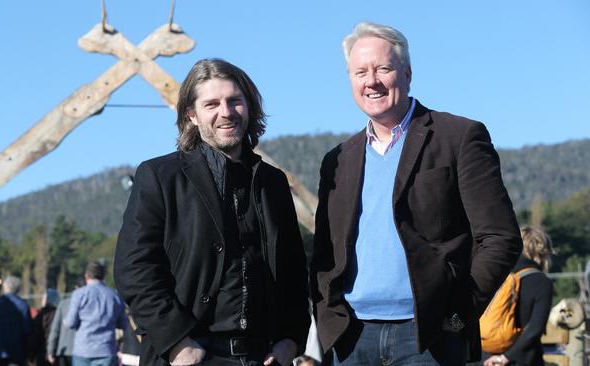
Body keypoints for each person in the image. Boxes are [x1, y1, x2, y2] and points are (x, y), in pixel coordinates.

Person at [311, 22, 522, 365]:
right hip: (351, 337)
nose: (372, 81)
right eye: (360, 71)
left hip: (428, 338)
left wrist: (457, 316)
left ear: (407, 74)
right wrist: (328, 319)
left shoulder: (458, 137)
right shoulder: (338, 159)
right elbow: (324, 252)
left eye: (383, 68)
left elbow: (500, 237)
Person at [114, 58, 310, 366]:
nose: (226, 112)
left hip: (263, 356)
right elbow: (134, 269)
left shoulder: (273, 183)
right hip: (191, 354)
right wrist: (177, 342)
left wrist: (291, 339)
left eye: (235, 101)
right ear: (191, 115)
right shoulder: (160, 176)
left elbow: (295, 272)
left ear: (249, 106)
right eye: (212, 104)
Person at [483, 226, 554, 366]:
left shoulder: (498, 275)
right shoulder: (542, 282)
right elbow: (535, 328)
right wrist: (505, 357)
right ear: (542, 251)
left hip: (488, 355)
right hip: (524, 359)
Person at [65, 261, 126, 366]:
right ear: (103, 276)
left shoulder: (79, 294)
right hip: (106, 350)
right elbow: (122, 324)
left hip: (83, 350)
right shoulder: (114, 296)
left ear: (86, 276)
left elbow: (71, 323)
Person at [0, 276, 32, 366]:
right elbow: (27, 329)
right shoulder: (23, 305)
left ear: (5, 288)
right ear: (18, 289)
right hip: (17, 352)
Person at [46, 284, 81, 366]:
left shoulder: (63, 304)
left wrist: (50, 351)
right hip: (82, 352)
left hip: (65, 350)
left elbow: (55, 330)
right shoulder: (91, 303)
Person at [28, 289, 60, 366]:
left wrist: (31, 355)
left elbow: (35, 337)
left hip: (42, 353)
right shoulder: (59, 315)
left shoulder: (40, 316)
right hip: (57, 353)